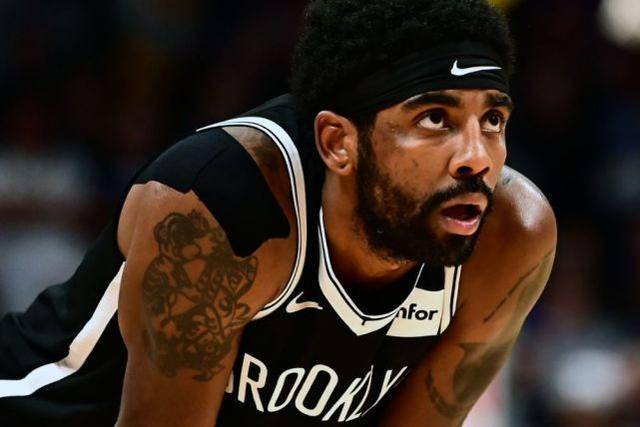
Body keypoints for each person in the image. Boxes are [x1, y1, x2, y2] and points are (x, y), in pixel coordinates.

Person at [0, 0, 556, 426]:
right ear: (338, 143)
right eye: (434, 119)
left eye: (493, 120)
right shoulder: (224, 208)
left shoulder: (513, 236)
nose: (477, 158)